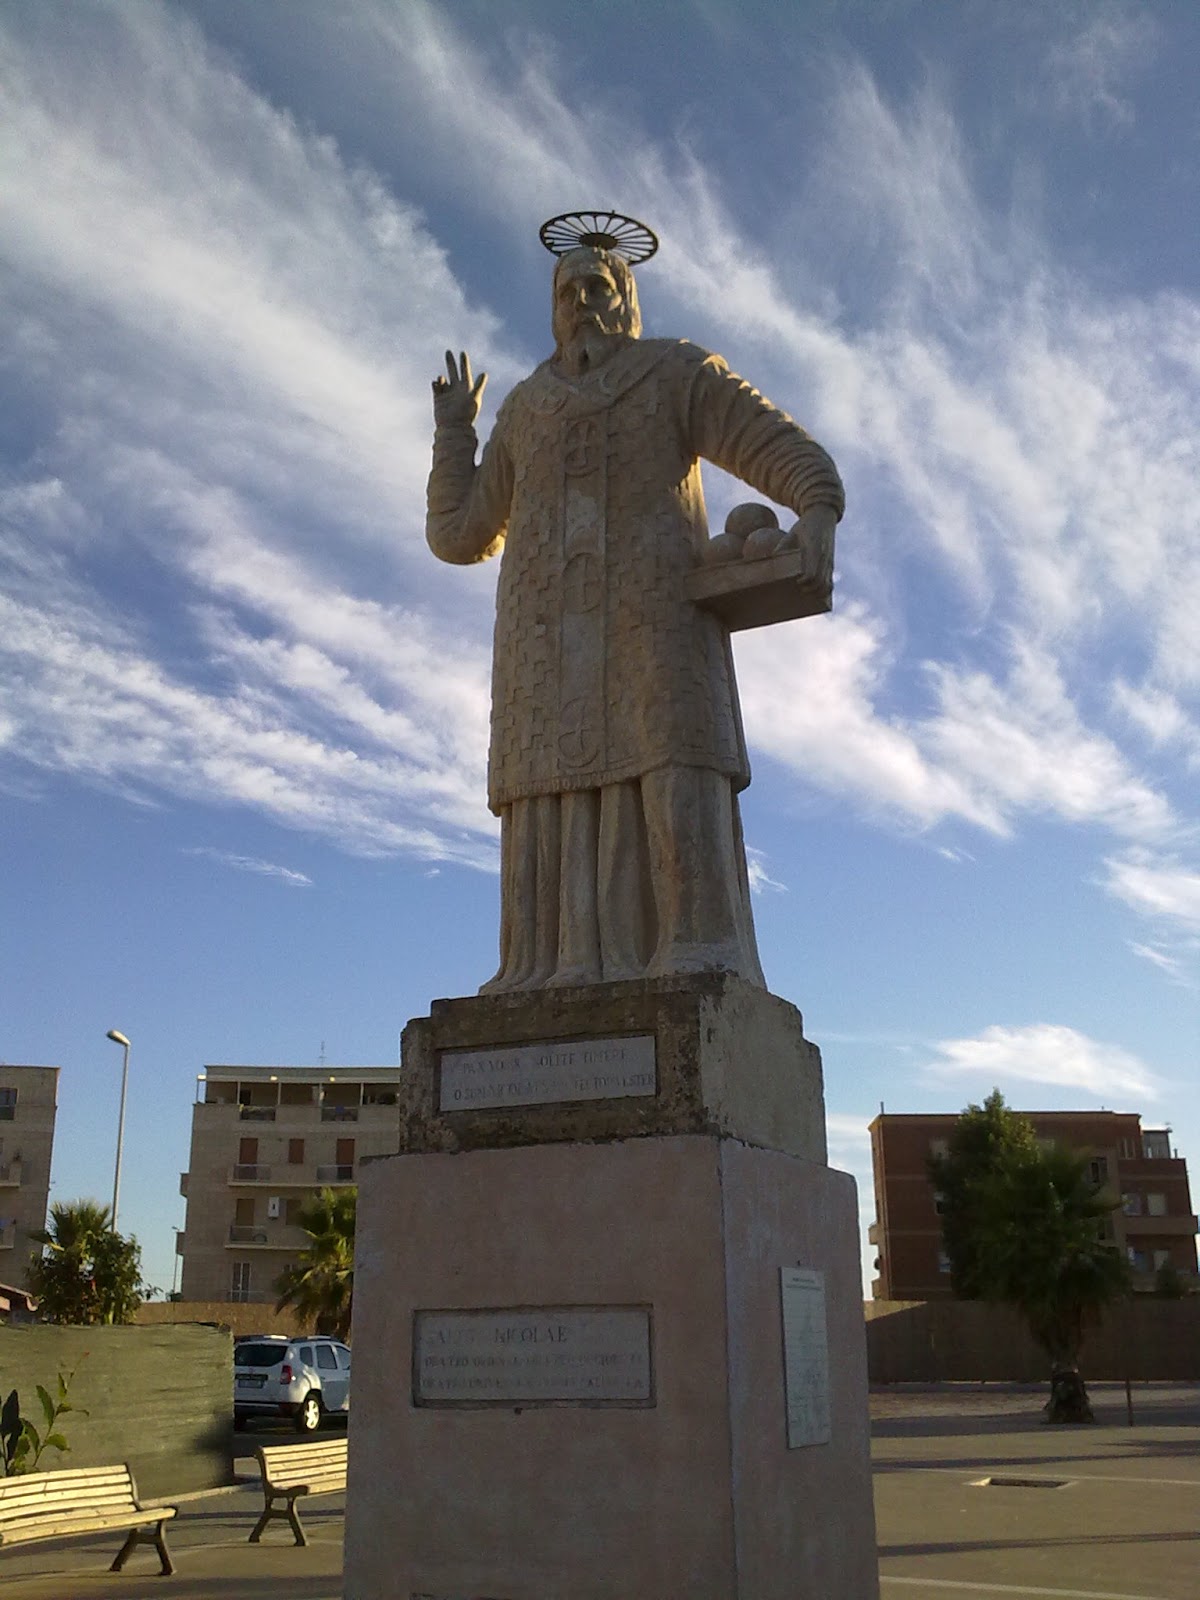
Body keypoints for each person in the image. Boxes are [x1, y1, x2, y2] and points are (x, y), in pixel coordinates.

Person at [427, 244, 843, 993]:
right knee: (543, 794)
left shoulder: (673, 372)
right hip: (543, 647)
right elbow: (459, 534)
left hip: (650, 622)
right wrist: (455, 433)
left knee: (670, 766)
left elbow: (769, 439)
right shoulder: (525, 409)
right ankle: (544, 971)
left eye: (598, 286)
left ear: (627, 298)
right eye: (567, 291)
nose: (582, 301)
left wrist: (816, 502)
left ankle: (692, 950)